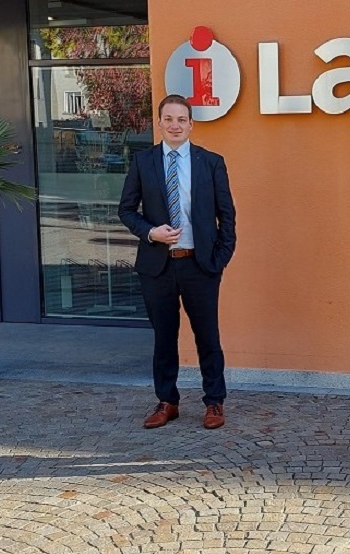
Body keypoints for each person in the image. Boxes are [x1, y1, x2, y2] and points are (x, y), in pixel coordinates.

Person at [118, 94, 236, 430]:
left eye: (181, 119)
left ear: (191, 124)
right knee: (164, 338)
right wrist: (150, 232)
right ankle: (167, 402)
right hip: (158, 266)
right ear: (159, 123)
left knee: (207, 337)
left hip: (200, 266)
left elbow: (227, 215)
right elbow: (126, 210)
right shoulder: (143, 162)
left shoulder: (210, 162)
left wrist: (220, 258)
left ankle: (214, 402)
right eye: (168, 119)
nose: (175, 125)